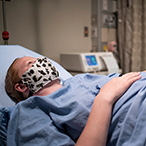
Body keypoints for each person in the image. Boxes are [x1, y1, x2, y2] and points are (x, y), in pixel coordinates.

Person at [5, 56, 141, 146]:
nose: (41, 62)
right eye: (31, 63)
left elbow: (129, 78)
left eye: (40, 59)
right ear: (22, 86)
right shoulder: (28, 111)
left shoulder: (78, 79)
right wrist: (104, 99)